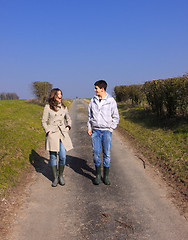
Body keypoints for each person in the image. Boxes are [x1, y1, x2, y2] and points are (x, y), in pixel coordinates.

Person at [87, 80, 119, 185]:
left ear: (102, 89)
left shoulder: (111, 101)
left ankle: (105, 176)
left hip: (106, 131)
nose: (94, 90)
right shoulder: (93, 100)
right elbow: (90, 116)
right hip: (95, 131)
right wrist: (89, 127)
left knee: (107, 154)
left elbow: (116, 117)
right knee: (96, 153)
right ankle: (97, 175)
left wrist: (111, 129)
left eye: (96, 88)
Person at [42, 88, 73, 187]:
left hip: (62, 134)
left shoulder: (64, 107)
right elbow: (43, 121)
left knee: (63, 156)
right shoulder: (48, 107)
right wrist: (48, 130)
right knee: (53, 156)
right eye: (58, 94)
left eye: (61, 94)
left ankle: (61, 176)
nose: (60, 96)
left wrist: (68, 127)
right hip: (52, 134)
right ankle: (55, 178)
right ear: (53, 96)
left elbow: (68, 119)